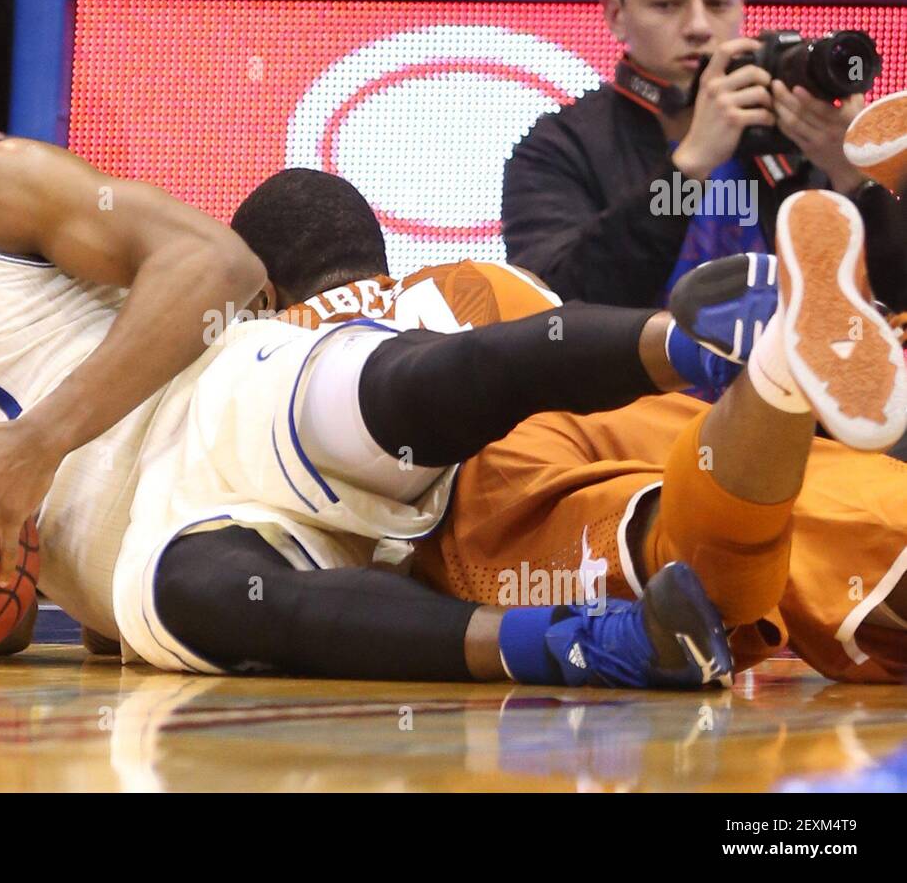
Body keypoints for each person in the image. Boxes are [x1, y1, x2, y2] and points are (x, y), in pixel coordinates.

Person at [0, 33, 734, 689]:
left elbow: (216, 261)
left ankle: (707, 339)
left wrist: (36, 442)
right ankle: (592, 647)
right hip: (125, 554)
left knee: (399, 385)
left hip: (210, 400)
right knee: (215, 601)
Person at [236, 168, 907, 684]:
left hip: (472, 480)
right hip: (601, 390)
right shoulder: (473, 275)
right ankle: (767, 361)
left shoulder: (262, 352)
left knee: (699, 572)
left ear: (265, 295)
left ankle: (777, 368)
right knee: (829, 488)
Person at [500, 0, 907, 313]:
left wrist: (855, 182)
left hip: (784, 379)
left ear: (742, 3)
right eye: (667, 3)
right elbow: (553, 313)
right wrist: (688, 167)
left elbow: (893, 306)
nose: (698, 26)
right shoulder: (557, 148)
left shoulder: (800, 131)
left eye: (717, 2)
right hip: (635, 381)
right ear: (616, 15)